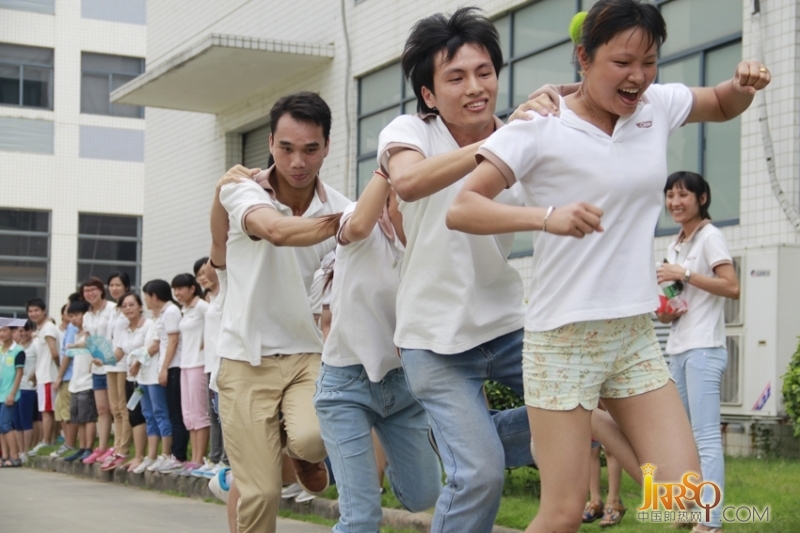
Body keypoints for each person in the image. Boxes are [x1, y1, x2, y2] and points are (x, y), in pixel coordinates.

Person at [445, 2, 770, 532]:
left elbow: (721, 103)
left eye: (649, 61)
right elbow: (464, 207)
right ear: (583, 57)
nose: (638, 76)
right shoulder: (538, 126)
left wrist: (742, 83)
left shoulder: (657, 106)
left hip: (633, 332)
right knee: (564, 511)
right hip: (562, 338)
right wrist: (548, 217)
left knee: (688, 498)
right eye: (622, 62)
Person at [209, 91, 350, 533]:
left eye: (311, 149)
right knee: (261, 492)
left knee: (312, 438)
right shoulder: (240, 188)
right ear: (270, 142)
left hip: (307, 356)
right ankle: (258, 470)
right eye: (286, 148)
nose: (298, 162)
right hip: (245, 358)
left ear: (327, 147)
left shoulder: (343, 206)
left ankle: (293, 453)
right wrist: (346, 223)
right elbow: (272, 229)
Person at [314, 166, 442, 533]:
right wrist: (389, 163)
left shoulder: (430, 240)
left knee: (423, 497)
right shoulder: (361, 223)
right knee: (361, 517)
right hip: (346, 386)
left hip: (403, 388)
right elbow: (354, 228)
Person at [657, 171, 740, 533]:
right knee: (683, 440)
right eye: (670, 195)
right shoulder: (674, 245)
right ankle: (691, 508)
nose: (675, 202)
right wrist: (664, 309)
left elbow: (732, 287)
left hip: (705, 349)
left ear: (701, 199)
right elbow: (675, 303)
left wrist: (685, 275)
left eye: (683, 195)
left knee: (705, 437)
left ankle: (712, 520)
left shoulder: (710, 238)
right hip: (678, 347)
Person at [143, 279, 187, 473]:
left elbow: (173, 341)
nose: (145, 300)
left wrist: (164, 368)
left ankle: (178, 456)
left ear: (154, 296)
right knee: (172, 413)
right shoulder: (164, 313)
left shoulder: (171, 312)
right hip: (168, 366)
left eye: (146, 296)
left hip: (174, 367)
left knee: (175, 415)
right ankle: (172, 455)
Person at [192, 257, 228, 478]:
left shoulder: (226, 295)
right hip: (210, 363)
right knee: (214, 414)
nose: (203, 277)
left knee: (224, 414)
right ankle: (215, 458)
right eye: (199, 274)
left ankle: (225, 460)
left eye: (206, 272)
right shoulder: (212, 299)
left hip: (223, 362)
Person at [171, 272, 210, 474]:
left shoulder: (202, 306)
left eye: (180, 288)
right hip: (185, 364)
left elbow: (217, 321)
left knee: (199, 412)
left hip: (199, 363)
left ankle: (200, 458)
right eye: (175, 289)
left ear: (192, 288)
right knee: (189, 414)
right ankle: (193, 457)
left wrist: (206, 343)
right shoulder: (185, 309)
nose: (177, 293)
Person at [113, 292, 153, 472]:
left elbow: (154, 346)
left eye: (131, 304)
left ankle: (146, 456)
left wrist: (138, 361)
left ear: (140, 306)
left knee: (147, 415)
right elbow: (119, 353)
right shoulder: (125, 331)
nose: (128, 308)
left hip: (146, 377)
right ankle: (138, 456)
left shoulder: (148, 325)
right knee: (134, 416)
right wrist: (102, 360)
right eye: (124, 306)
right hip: (131, 378)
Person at [79, 277, 115, 465]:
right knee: (101, 409)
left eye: (94, 289)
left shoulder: (112, 309)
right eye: (86, 291)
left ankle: (116, 447)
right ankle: (101, 448)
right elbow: (89, 339)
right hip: (96, 367)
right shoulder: (87, 316)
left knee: (115, 408)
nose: (90, 293)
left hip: (112, 364)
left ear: (102, 290)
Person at [104, 272, 133, 469]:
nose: (114, 288)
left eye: (118, 285)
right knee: (114, 408)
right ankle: (116, 447)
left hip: (123, 363)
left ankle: (123, 448)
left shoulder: (128, 309)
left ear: (126, 287)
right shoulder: (114, 310)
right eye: (111, 285)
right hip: (110, 363)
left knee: (123, 407)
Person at [62, 300, 98, 463]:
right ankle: (82, 447)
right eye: (71, 316)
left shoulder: (90, 333)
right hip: (75, 382)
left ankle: (89, 447)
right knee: (78, 418)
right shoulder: (76, 334)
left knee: (88, 417)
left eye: (77, 315)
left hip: (87, 381)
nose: (74, 319)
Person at [27, 298, 60, 453]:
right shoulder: (42, 329)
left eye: (36, 311)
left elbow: (54, 352)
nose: (33, 314)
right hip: (43, 375)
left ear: (44, 311)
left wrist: (60, 370)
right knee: (48, 411)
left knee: (47, 412)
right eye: (30, 311)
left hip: (49, 376)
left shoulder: (48, 328)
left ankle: (46, 441)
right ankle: (50, 440)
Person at [51, 296, 81, 458]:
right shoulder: (72, 326)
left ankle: (69, 443)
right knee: (61, 410)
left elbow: (68, 354)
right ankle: (67, 443)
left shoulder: (73, 327)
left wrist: (59, 376)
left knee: (67, 412)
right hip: (68, 374)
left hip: (69, 375)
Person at [0, 319, 26, 467]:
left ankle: (15, 457)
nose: (2, 334)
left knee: (5, 424)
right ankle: (5, 456)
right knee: (0, 426)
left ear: (12, 331)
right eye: (0, 331)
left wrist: (12, 393)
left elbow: (19, 373)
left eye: (4, 330)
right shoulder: (0, 350)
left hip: (9, 394)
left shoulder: (18, 351)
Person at [14, 320, 39, 457]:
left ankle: (27, 450)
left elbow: (41, 360)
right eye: (21, 331)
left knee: (26, 420)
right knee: (17, 422)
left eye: (26, 330)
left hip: (28, 388)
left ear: (31, 330)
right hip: (16, 388)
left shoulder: (35, 345)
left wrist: (34, 375)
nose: (23, 333)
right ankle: (20, 450)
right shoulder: (18, 346)